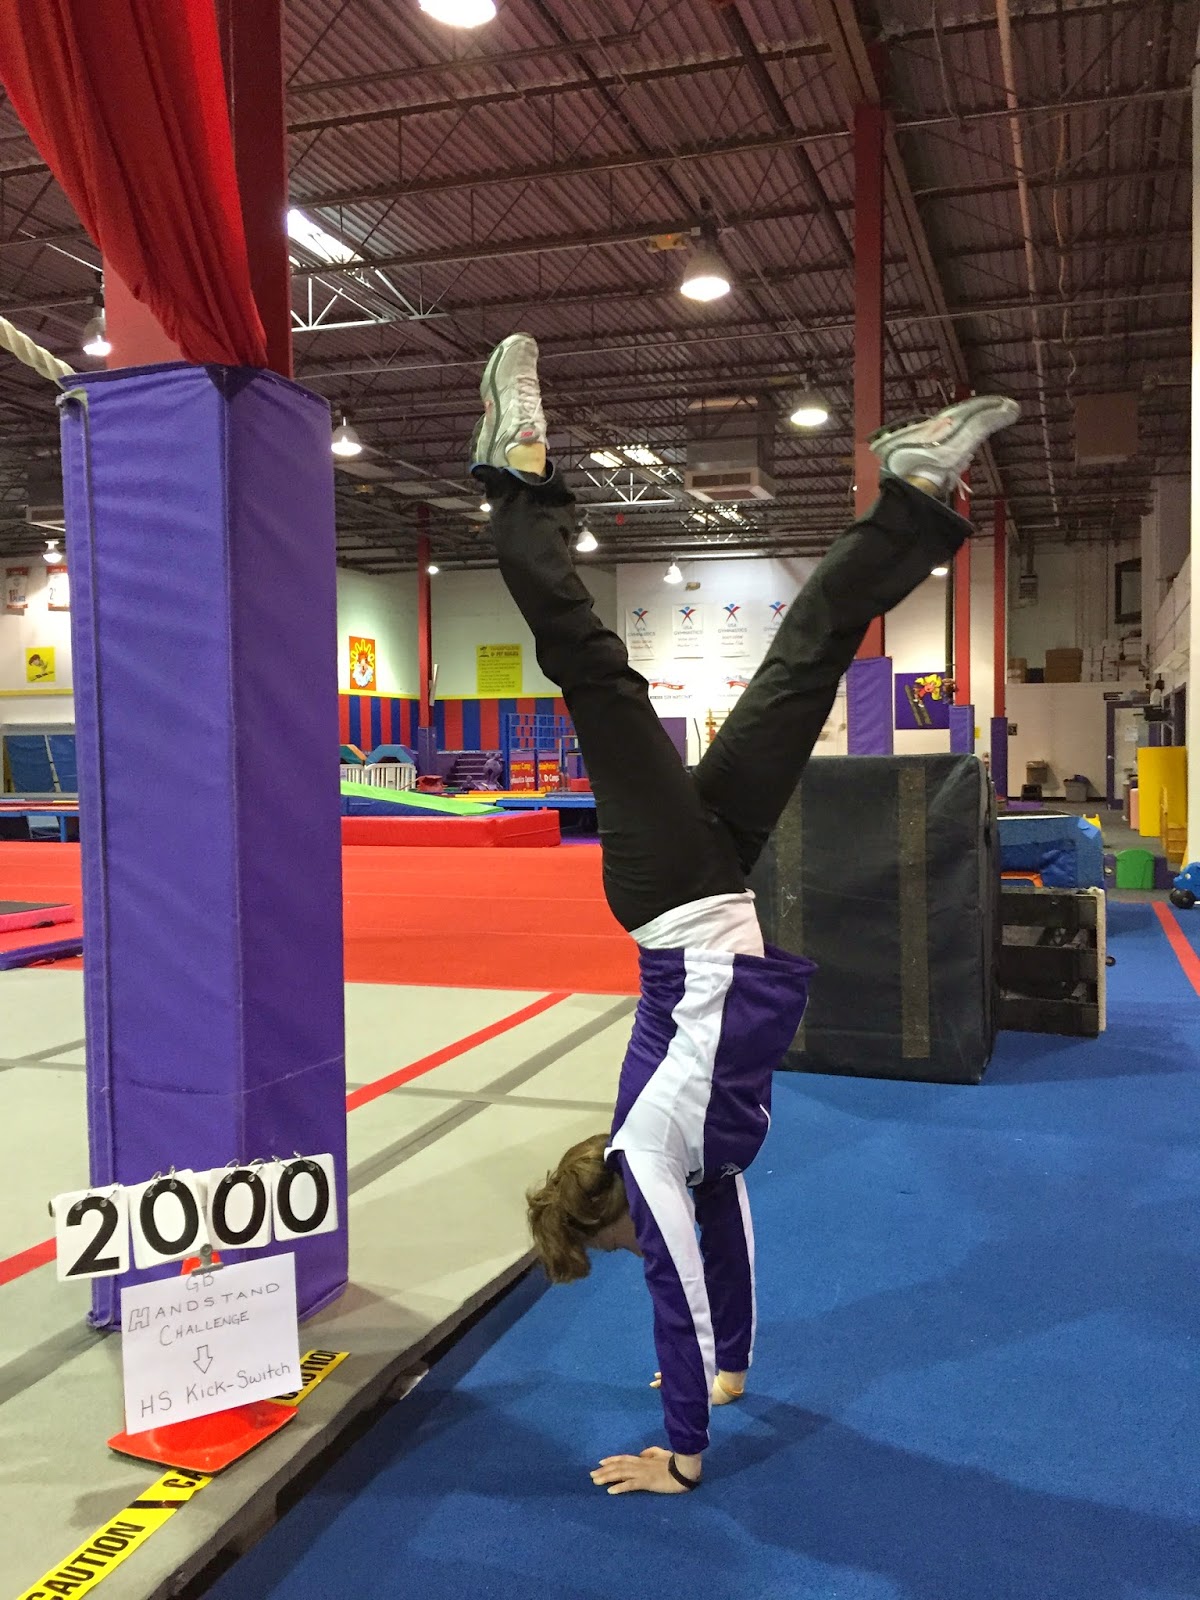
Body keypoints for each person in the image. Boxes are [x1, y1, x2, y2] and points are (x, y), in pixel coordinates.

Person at [470, 333, 1018, 1497]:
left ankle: (516, 480)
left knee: (598, 673)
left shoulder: (648, 1154)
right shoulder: (706, 1156)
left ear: (609, 1216)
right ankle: (913, 490)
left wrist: (681, 1450)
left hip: (671, 896)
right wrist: (734, 1369)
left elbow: (673, 1282)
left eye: (614, 1245)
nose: (634, 1249)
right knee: (803, 671)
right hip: (716, 878)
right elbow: (729, 1243)